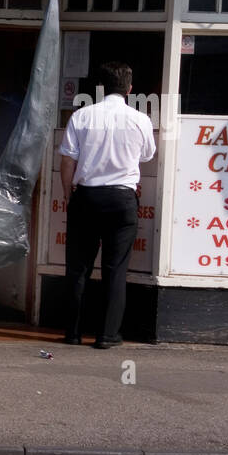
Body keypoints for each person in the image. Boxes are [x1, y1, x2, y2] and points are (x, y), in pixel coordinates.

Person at [60, 62, 155, 348]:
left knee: (78, 268)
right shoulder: (140, 120)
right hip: (121, 199)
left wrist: (68, 194)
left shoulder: (82, 116)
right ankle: (107, 335)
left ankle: (73, 333)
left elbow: (67, 160)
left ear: (100, 87)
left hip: (86, 196)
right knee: (115, 269)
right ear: (129, 89)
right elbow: (148, 155)